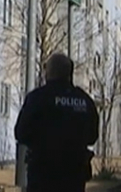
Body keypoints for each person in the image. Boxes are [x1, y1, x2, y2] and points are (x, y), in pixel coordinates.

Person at [14, 53, 99, 192]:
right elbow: (92, 136)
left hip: (42, 176)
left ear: (49, 72)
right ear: (69, 73)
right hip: (74, 177)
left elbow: (21, 133)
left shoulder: (37, 98)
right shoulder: (85, 100)